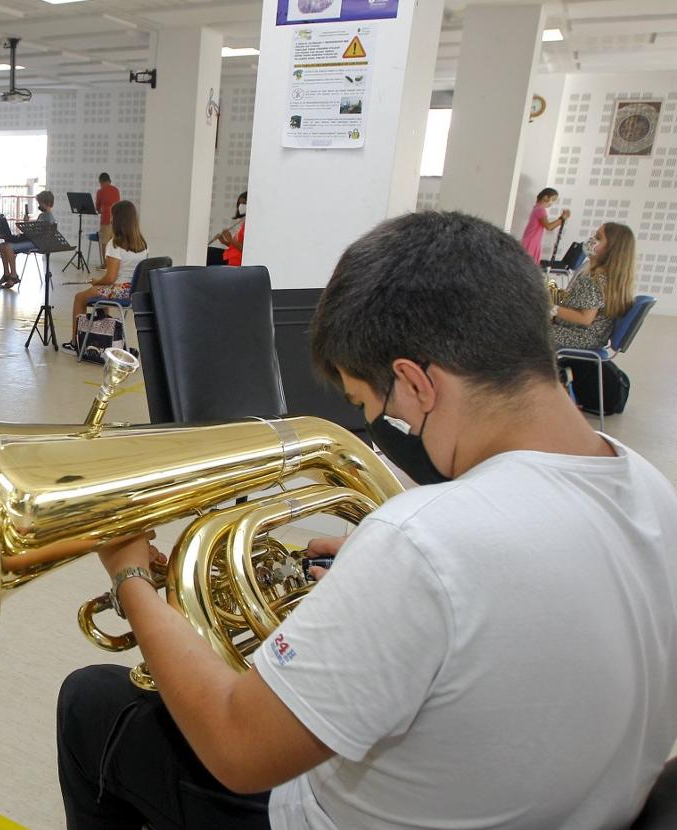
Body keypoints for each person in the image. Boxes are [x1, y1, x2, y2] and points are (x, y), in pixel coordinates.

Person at [57, 211, 677, 829]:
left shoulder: (423, 542)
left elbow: (236, 748)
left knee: (91, 700)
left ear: (413, 383)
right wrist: (371, 591)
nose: (377, 426)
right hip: (579, 803)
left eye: (366, 402)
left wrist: (130, 576)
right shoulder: (652, 488)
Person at [63, 200, 147, 351]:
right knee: (99, 294)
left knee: (80, 297)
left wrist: (96, 282)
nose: (111, 219)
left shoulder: (115, 244)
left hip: (119, 290)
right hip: (134, 292)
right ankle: (102, 336)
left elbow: (110, 278)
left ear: (118, 219)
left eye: (113, 216)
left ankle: (76, 342)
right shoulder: (142, 244)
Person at [552, 222, 636, 351]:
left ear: (611, 249)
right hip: (593, 337)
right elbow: (580, 301)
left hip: (579, 336)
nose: (592, 239)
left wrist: (552, 308)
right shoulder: (607, 277)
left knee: (522, 329)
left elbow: (584, 318)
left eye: (598, 237)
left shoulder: (593, 279)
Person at [0, 190, 55, 287]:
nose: (39, 205)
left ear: (48, 203)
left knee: (7, 247)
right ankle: (7, 274)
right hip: (32, 240)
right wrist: (26, 224)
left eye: (41, 203)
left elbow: (42, 235)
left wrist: (27, 229)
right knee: (2, 245)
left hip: (38, 243)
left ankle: (14, 276)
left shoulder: (49, 218)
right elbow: (34, 230)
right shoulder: (42, 215)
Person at [521, 187, 569, 264]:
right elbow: (549, 227)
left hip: (532, 242)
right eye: (552, 199)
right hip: (531, 243)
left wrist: (561, 218)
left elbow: (548, 226)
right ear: (546, 197)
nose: (552, 203)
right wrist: (562, 218)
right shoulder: (540, 210)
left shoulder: (537, 208)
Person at [95, 173, 122, 263]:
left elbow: (97, 208)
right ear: (109, 180)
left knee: (105, 243)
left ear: (101, 182)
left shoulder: (101, 191)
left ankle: (106, 264)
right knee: (114, 244)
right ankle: (114, 265)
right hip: (116, 221)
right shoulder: (116, 190)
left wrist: (100, 209)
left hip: (106, 220)